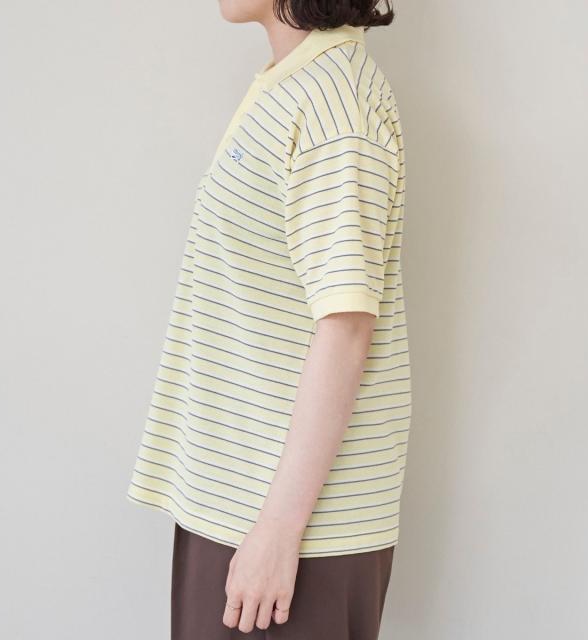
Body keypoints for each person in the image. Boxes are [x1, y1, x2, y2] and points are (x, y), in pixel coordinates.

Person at [126, 1, 411, 637]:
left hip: (293, 532)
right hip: (240, 504)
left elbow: (346, 327)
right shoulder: (294, 83)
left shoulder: (337, 107)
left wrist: (278, 532)